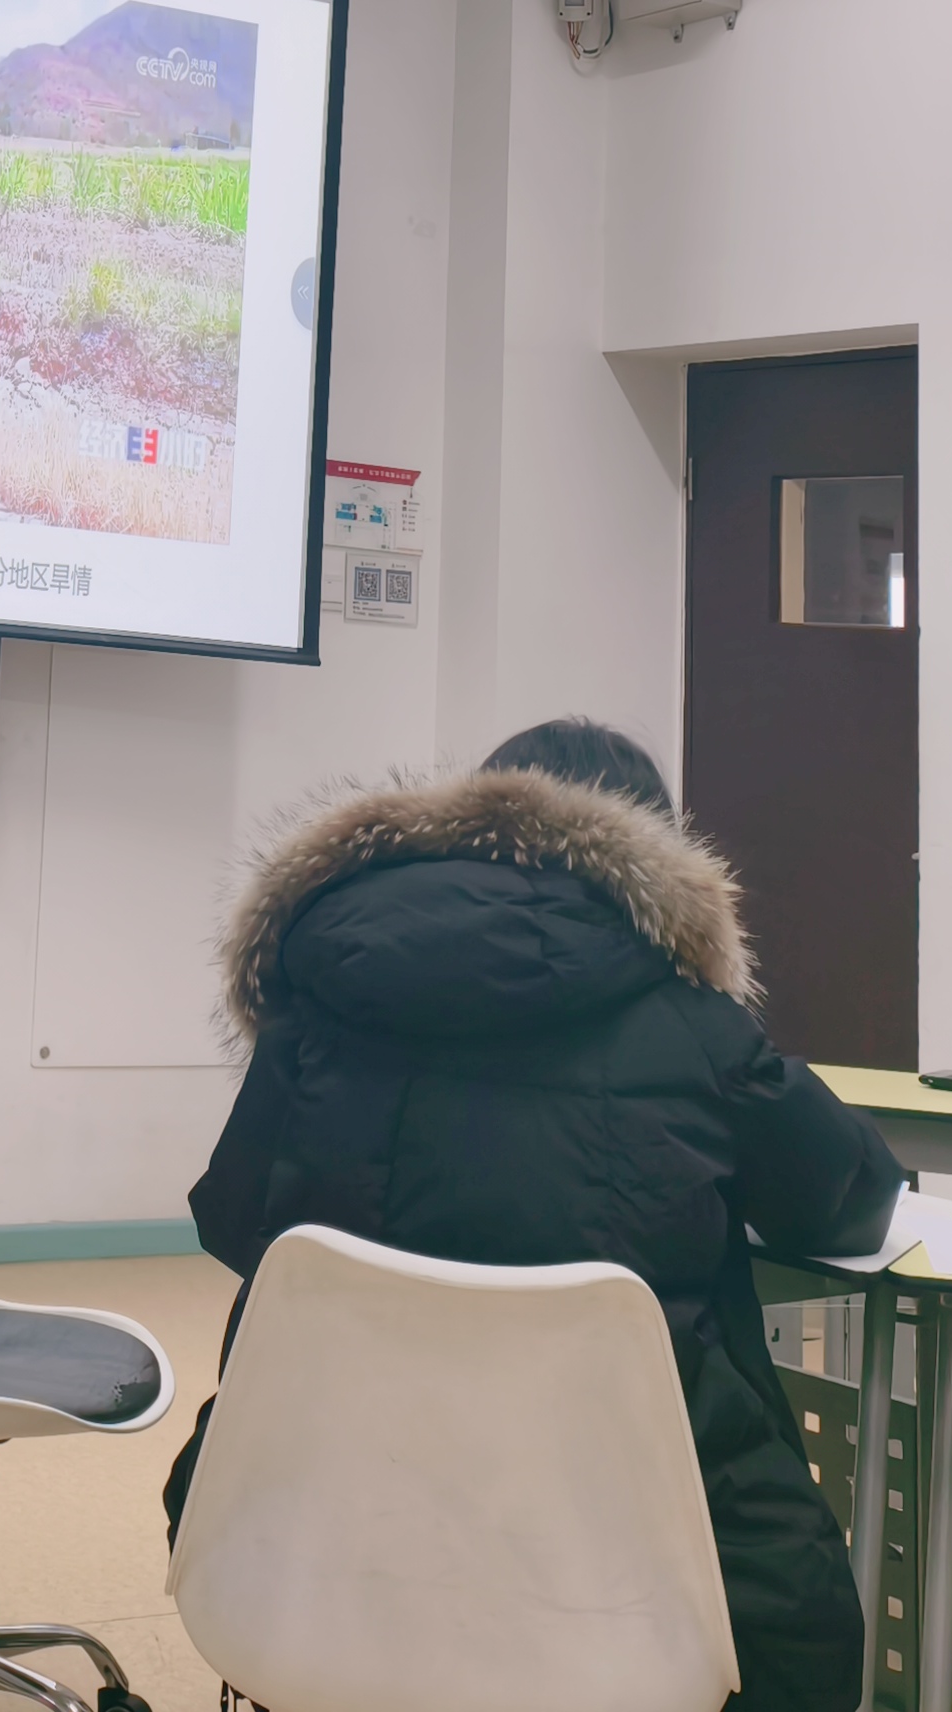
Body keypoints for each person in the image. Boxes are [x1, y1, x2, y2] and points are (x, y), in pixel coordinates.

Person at [179, 718, 903, 1712]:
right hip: (629, 1554)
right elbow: (850, 1204)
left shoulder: (316, 1001)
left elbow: (232, 1223)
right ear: (652, 850)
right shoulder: (696, 1025)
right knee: (794, 1619)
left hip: (316, 1524)